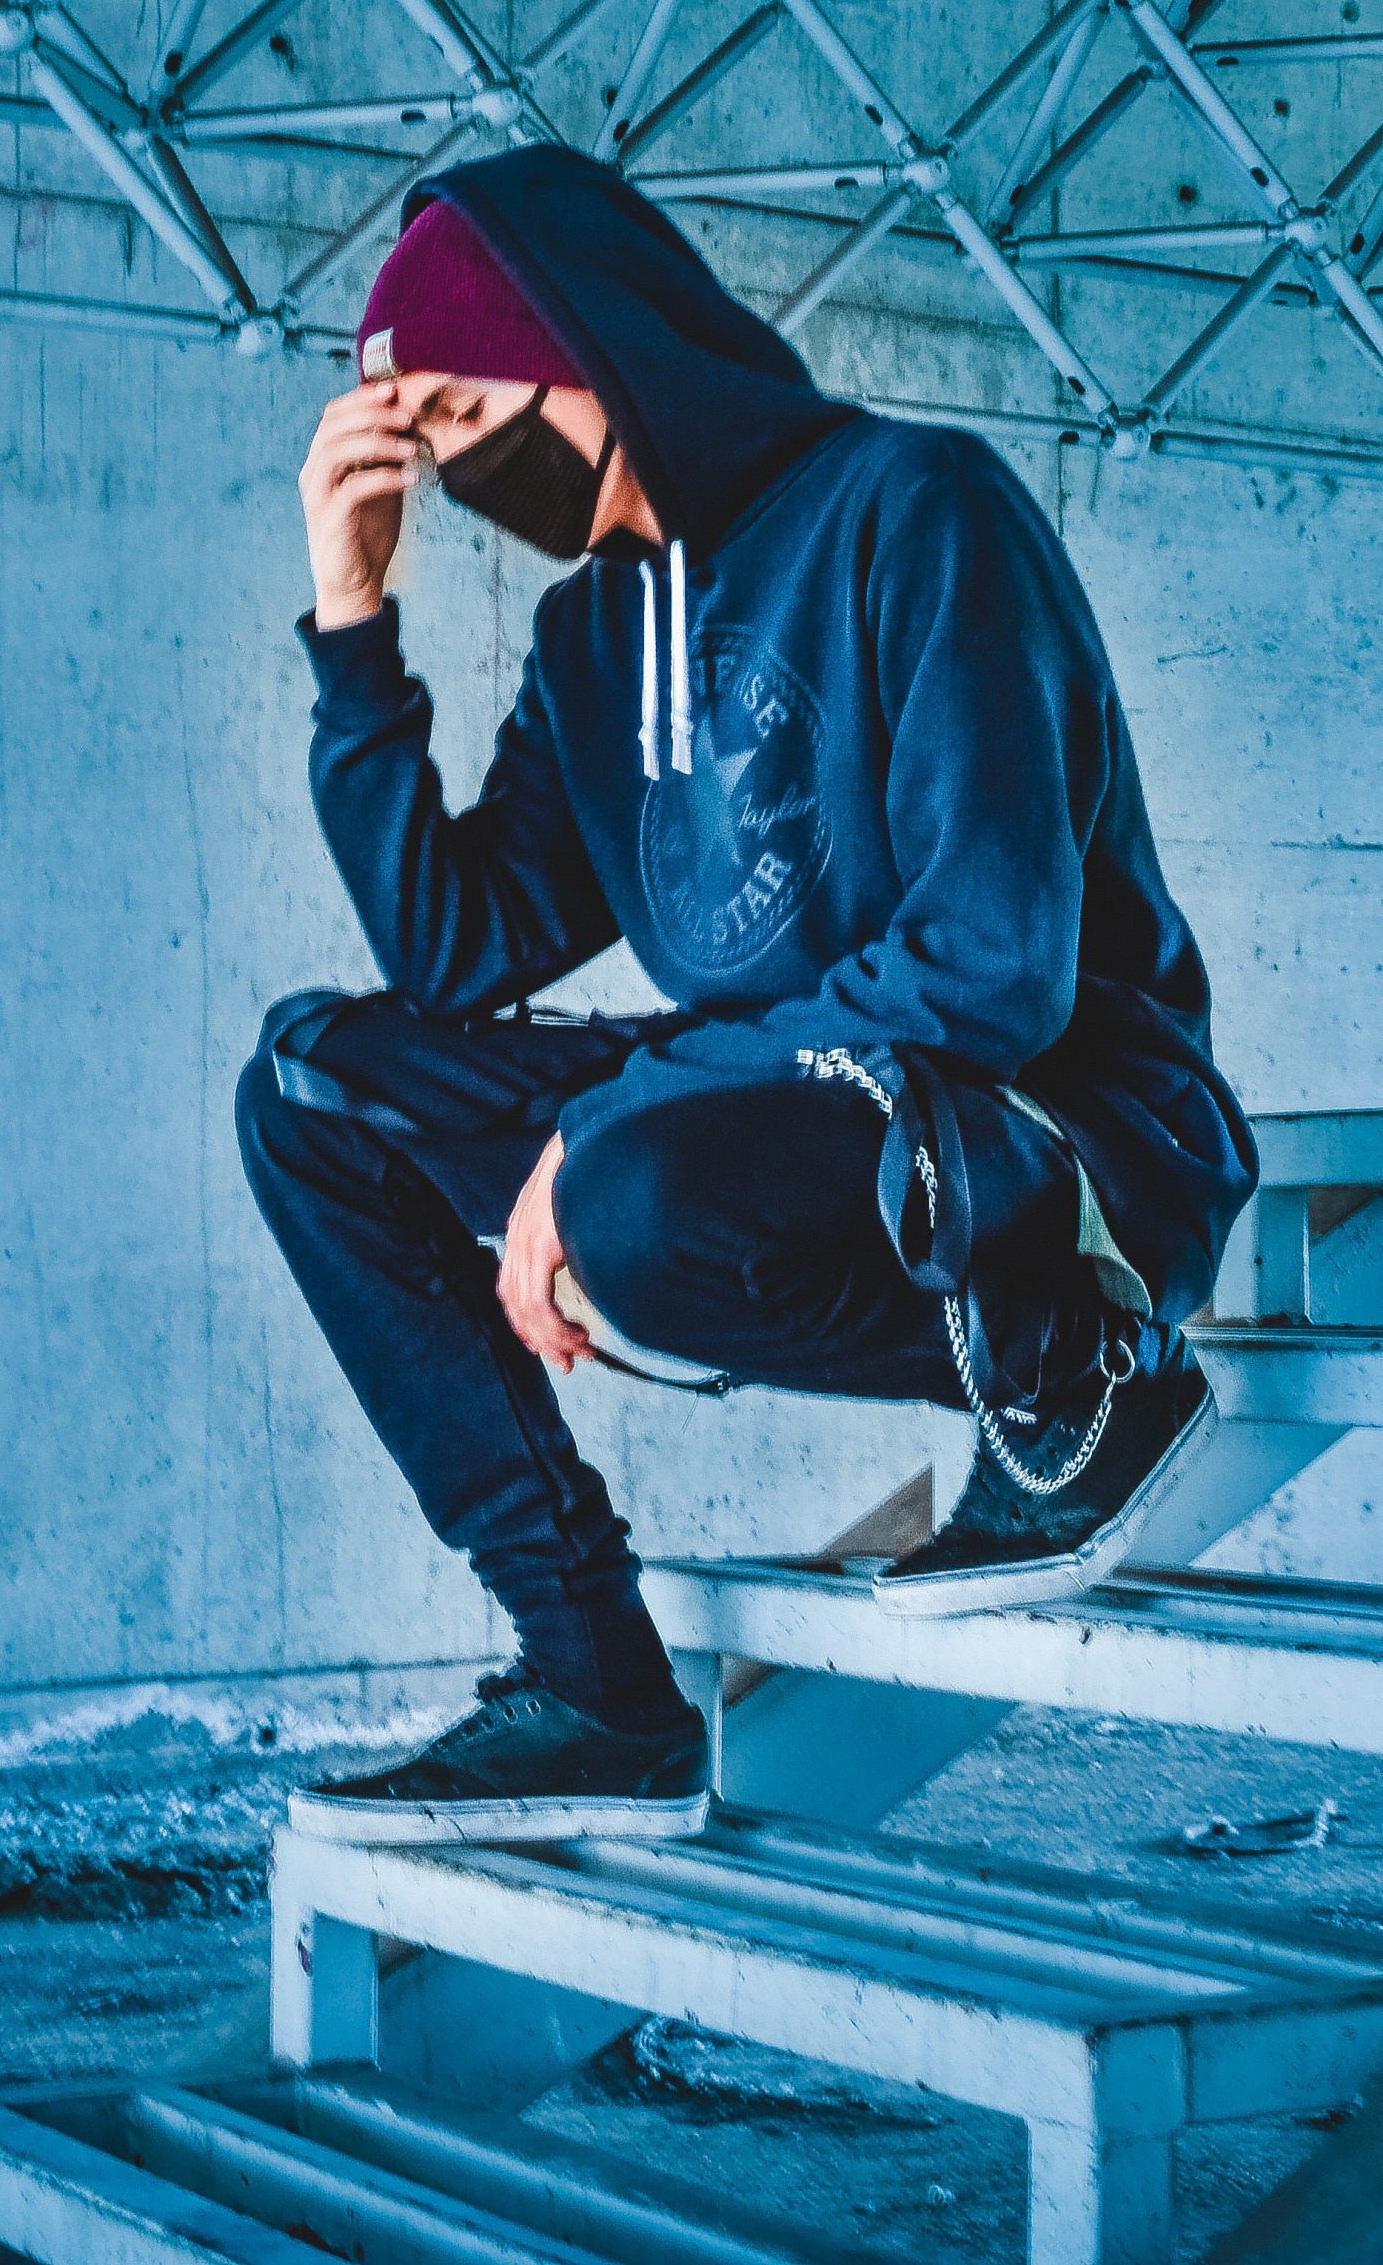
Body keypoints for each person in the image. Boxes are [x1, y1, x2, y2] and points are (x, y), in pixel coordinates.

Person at [235, 143, 1257, 1847]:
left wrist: (608, 1130)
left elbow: (992, 969)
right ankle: (593, 1681)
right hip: (805, 1122)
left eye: (471, 416)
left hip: (1058, 1135)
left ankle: (1088, 1359)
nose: (465, 470)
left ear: (594, 346)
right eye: (430, 444)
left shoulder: (919, 511)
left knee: (630, 1191)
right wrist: (353, 617)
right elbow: (454, 947)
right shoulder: (593, 645)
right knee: (312, 1097)